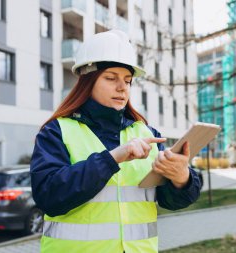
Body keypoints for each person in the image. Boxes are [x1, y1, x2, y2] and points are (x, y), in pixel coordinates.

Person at [30, 30, 202, 253]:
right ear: (87, 80)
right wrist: (113, 158)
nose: (122, 87)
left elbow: (171, 201)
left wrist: (182, 178)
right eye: (111, 78)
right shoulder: (56, 131)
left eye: (128, 81)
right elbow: (49, 196)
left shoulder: (146, 132)